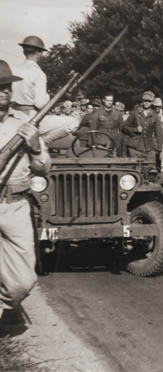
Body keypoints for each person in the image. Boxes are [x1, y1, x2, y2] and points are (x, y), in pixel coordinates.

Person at [0, 60, 51, 314]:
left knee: (22, 282)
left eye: (7, 87)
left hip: (16, 205)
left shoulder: (24, 124)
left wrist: (35, 146)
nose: (4, 92)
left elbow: (43, 169)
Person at [11, 36, 49, 115]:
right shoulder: (39, 74)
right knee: (72, 122)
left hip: (11, 112)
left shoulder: (13, 70)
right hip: (29, 115)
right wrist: (47, 97)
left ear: (23, 51)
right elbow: (40, 103)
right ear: (40, 53)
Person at [122, 91, 162, 161]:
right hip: (135, 148)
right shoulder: (135, 113)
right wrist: (135, 130)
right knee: (136, 170)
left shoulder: (155, 116)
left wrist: (159, 149)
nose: (146, 103)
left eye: (149, 101)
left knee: (150, 169)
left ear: (152, 102)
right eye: (145, 100)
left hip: (150, 148)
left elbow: (159, 134)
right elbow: (124, 127)